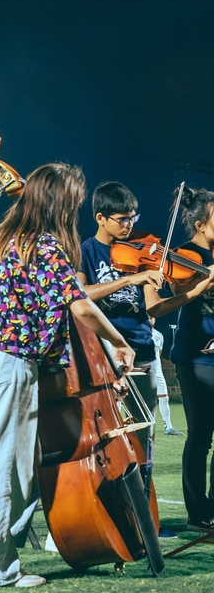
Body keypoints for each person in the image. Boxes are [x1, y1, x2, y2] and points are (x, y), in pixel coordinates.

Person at [0, 161, 134, 588]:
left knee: (23, 467)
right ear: (59, 203)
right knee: (1, 468)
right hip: (10, 361)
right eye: (73, 203)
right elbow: (79, 304)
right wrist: (118, 341)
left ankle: (5, 550)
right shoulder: (41, 245)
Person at [77, 181, 179, 484]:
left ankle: (144, 502)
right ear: (100, 218)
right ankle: (106, 501)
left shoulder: (142, 251)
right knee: (103, 430)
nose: (129, 225)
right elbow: (80, 294)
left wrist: (192, 290)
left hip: (143, 350)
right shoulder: (87, 251)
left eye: (133, 218)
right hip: (105, 353)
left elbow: (154, 306)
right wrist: (128, 280)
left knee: (145, 430)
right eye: (122, 219)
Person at [168, 187, 214, 529]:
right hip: (196, 356)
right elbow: (178, 297)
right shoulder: (183, 256)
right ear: (200, 224)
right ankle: (198, 513)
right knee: (200, 436)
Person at [148, 317, 179, 436]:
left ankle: (169, 427)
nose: (149, 319)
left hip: (157, 371)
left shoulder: (159, 335)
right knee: (124, 398)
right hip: (140, 369)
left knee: (164, 397)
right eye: (147, 317)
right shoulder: (137, 333)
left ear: (154, 320)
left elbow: (159, 353)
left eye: (151, 317)